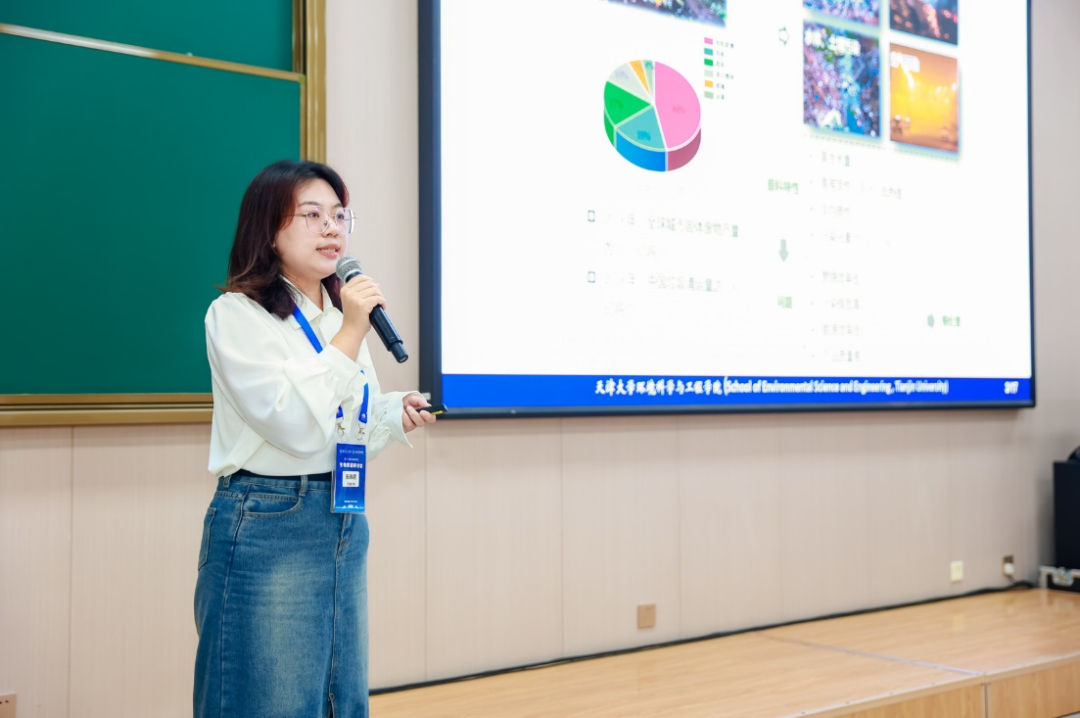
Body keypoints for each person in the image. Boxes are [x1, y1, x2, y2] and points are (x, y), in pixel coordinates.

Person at [193, 159, 436, 717]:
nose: (332, 228)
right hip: (268, 518)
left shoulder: (337, 317)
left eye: (340, 215)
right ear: (268, 230)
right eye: (312, 215)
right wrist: (350, 331)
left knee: (336, 698)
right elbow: (294, 426)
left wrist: (391, 415)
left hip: (341, 515)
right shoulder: (236, 315)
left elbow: (342, 426)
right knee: (266, 699)